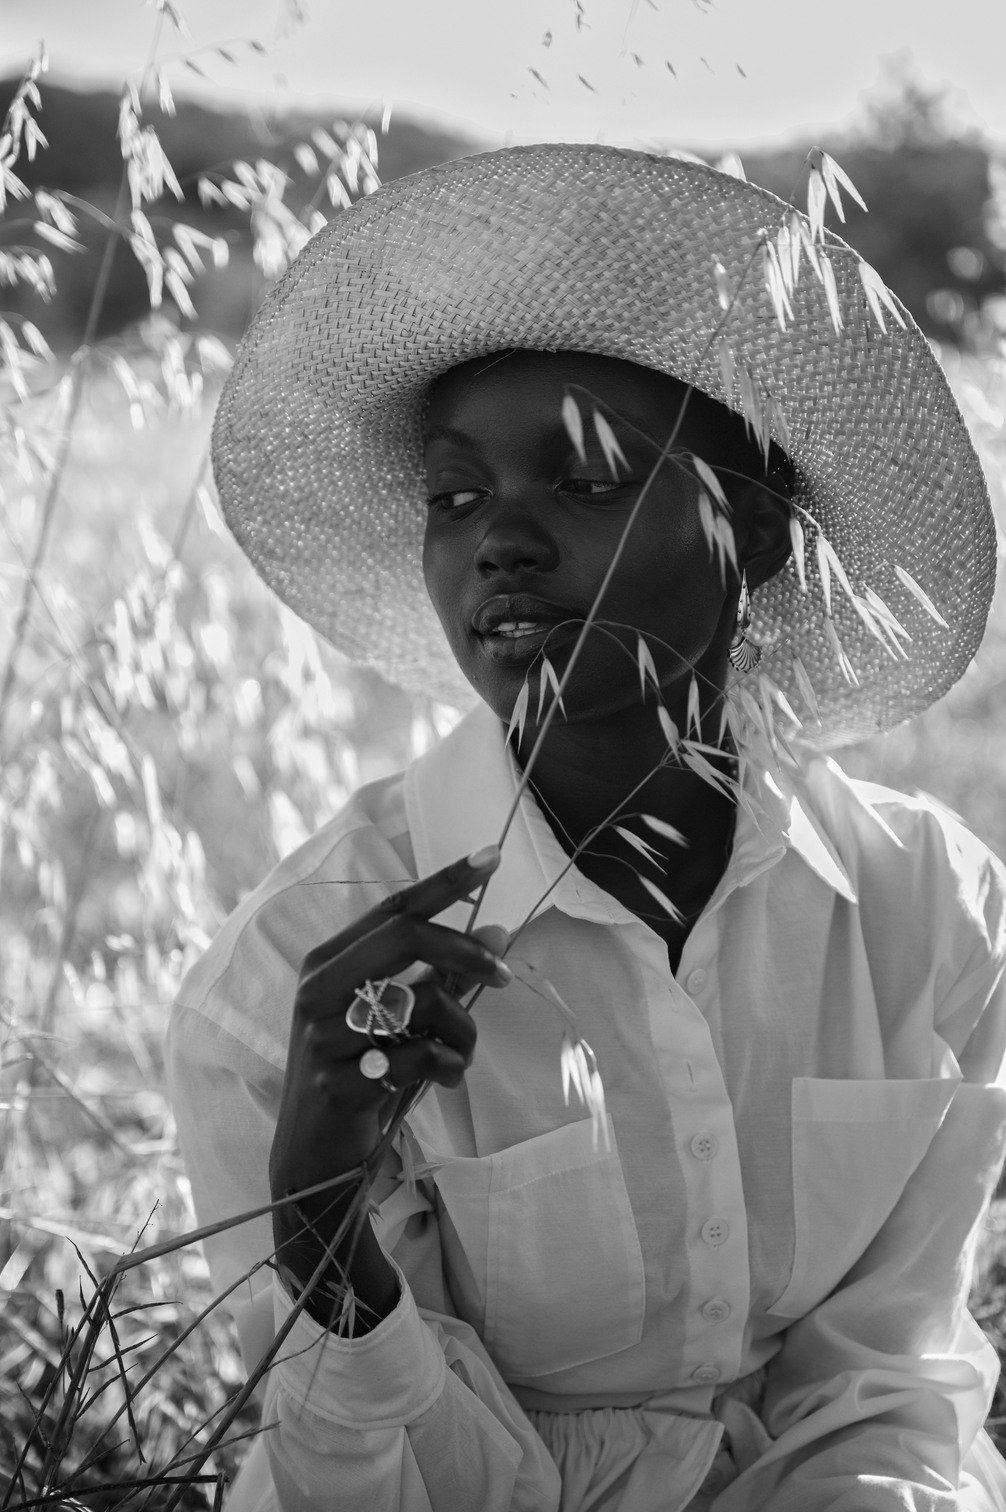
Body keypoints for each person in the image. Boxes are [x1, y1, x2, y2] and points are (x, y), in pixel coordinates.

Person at [167, 143, 1006, 1511]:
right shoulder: (285, 1003)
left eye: (587, 480)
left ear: (757, 535)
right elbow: (350, 1479)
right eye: (454, 497)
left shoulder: (928, 912)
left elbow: (887, 1383)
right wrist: (320, 1226)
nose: (496, 540)